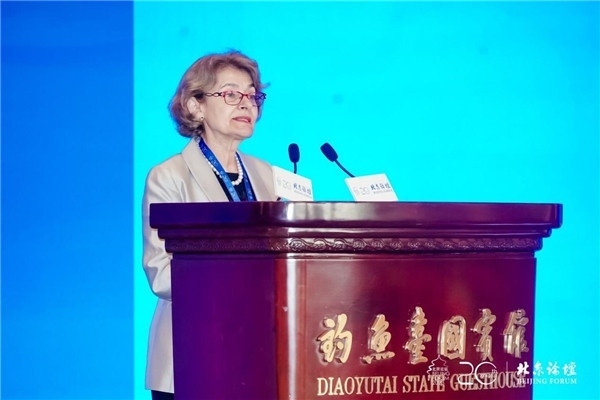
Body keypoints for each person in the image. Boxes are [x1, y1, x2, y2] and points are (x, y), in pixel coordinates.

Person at [141, 50, 278, 400]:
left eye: (252, 96)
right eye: (231, 94)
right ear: (195, 106)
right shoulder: (169, 176)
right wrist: (241, 275)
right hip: (192, 352)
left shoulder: (267, 174)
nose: (246, 104)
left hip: (257, 354)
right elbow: (161, 273)